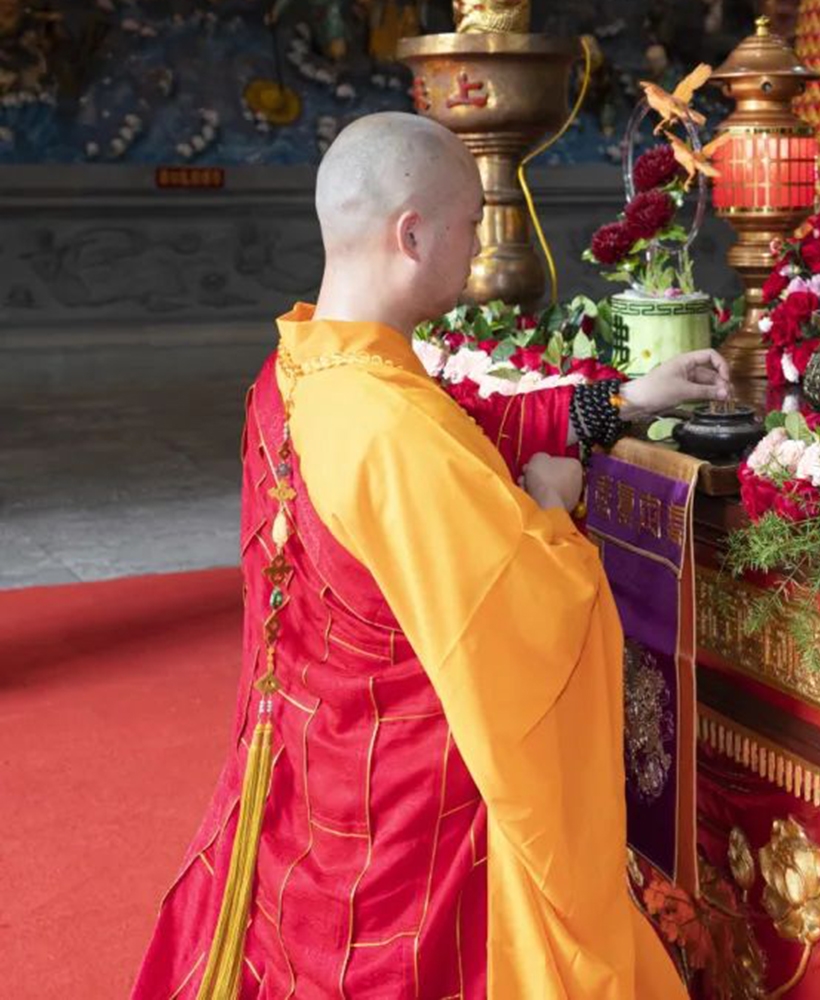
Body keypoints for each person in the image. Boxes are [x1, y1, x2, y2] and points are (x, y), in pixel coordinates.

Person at [131, 111, 728, 999]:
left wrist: (629, 398)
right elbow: (528, 617)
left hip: (312, 772)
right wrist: (554, 505)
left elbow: (465, 432)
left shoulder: (294, 370)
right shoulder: (387, 427)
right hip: (403, 812)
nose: (478, 248)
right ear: (412, 236)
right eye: (471, 224)